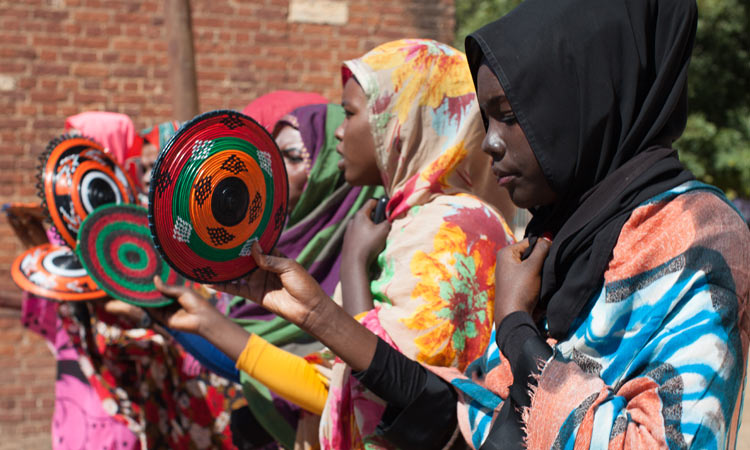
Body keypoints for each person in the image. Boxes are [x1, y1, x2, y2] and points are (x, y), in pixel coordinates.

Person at [279, 1, 748, 448]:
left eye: (509, 116)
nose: (490, 143)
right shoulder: (561, 237)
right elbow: (481, 424)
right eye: (487, 120)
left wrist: (517, 331)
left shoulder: (697, 234)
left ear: (588, 102)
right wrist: (317, 314)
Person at [154, 39, 515, 449]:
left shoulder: (455, 228)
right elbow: (343, 375)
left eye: (350, 113)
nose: (341, 131)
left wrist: (352, 263)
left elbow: (397, 391)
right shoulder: (403, 224)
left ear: (399, 125)